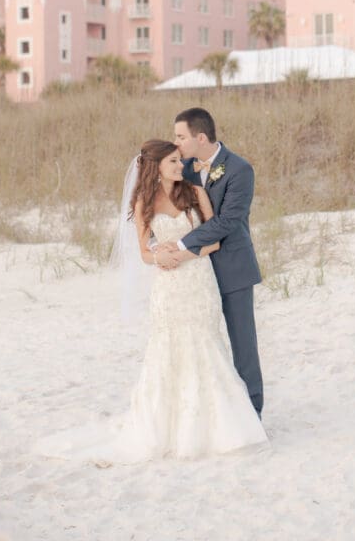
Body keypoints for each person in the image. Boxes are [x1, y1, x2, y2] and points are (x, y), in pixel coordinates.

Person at [34, 139, 266, 463]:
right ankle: (168, 429)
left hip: (199, 281)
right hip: (168, 287)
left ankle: (221, 428)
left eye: (179, 160)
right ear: (156, 166)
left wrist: (182, 254)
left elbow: (214, 241)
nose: (179, 166)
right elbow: (144, 253)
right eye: (172, 161)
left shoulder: (196, 193)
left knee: (206, 345)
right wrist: (159, 257)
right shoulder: (144, 201)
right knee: (168, 350)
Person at [153, 108, 264, 419]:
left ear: (200, 137)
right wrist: (158, 246)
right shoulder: (180, 167)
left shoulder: (240, 170)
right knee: (198, 345)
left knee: (243, 346)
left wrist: (178, 245)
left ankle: (252, 415)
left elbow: (229, 221)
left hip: (232, 268)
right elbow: (159, 209)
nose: (176, 142)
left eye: (180, 136)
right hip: (192, 275)